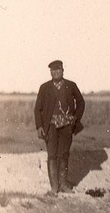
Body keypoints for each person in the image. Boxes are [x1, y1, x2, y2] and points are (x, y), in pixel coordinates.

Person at [33, 60, 85, 194]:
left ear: (63, 70)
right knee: (52, 155)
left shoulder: (71, 85)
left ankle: (63, 185)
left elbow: (81, 102)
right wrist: (39, 126)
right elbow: (37, 109)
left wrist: (75, 118)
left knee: (64, 154)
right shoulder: (44, 88)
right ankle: (54, 187)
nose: (55, 72)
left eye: (58, 70)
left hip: (67, 127)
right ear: (50, 72)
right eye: (53, 70)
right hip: (50, 127)